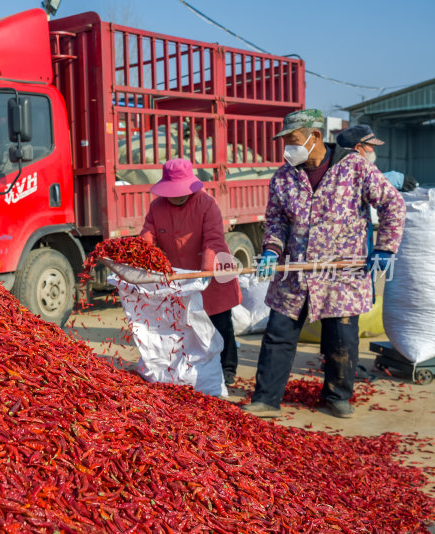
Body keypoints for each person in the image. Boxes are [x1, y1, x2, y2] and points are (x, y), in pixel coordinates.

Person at [243, 109, 405, 419]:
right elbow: (276, 220)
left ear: (314, 136)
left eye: (293, 140)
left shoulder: (354, 167)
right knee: (278, 334)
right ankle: (266, 398)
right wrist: (271, 251)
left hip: (341, 273)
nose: (288, 148)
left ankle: (337, 396)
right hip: (295, 272)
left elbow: (391, 204)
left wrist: (385, 247)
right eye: (286, 142)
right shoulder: (284, 176)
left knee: (341, 337)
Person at [140, 158, 242, 385]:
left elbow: (213, 240)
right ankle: (189, 365)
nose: (176, 196)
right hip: (179, 275)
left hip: (212, 272)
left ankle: (228, 367)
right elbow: (148, 237)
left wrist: (205, 272)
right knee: (183, 324)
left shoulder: (207, 204)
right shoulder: (157, 207)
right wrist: (140, 260)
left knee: (220, 321)